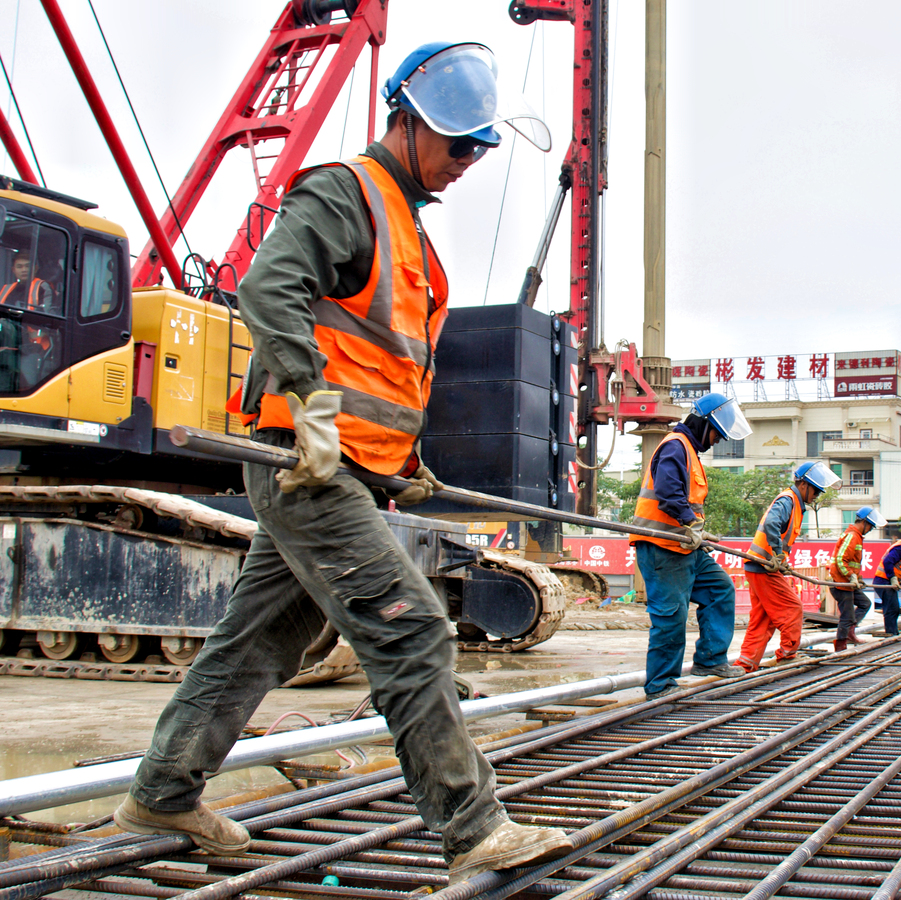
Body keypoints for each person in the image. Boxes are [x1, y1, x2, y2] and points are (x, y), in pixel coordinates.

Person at [113, 42, 572, 885]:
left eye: (479, 147)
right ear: (404, 121)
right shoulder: (344, 193)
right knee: (411, 628)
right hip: (305, 464)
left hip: (352, 468)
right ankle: (473, 828)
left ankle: (164, 790)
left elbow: (386, 373)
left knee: (259, 643)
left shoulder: (411, 236)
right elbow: (266, 291)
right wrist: (314, 411)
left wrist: (408, 464)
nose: (466, 161)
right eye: (456, 143)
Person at [630, 392, 753, 698]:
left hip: (685, 546)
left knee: (719, 589)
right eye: (715, 433)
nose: (715, 441)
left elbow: (686, 501)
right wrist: (692, 524)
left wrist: (698, 531)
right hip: (663, 547)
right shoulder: (675, 445)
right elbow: (669, 492)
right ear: (703, 424)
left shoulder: (689, 451)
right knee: (671, 616)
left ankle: (710, 659)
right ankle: (660, 685)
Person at [735, 460, 841, 671]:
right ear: (803, 485)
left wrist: (778, 557)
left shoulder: (793, 503)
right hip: (764, 566)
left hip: (759, 566)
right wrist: (777, 554)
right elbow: (772, 523)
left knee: (763, 619)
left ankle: (746, 663)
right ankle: (788, 655)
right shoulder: (788, 500)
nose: (816, 497)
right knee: (793, 608)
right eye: (816, 492)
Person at [826, 506, 885, 651]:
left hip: (848, 583)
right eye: (870, 525)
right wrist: (851, 576)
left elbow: (853, 562)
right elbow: (840, 559)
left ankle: (850, 632)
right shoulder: (852, 536)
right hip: (840, 583)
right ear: (864, 522)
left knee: (864, 603)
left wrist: (857, 578)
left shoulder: (857, 536)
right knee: (847, 616)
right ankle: (840, 645)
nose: (871, 529)